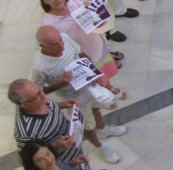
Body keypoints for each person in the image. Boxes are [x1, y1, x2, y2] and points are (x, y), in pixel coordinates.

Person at [32, 25, 126, 161]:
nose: (61, 44)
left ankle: (103, 130)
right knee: (87, 125)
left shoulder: (65, 37)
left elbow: (81, 54)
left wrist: (94, 71)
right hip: (73, 97)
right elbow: (39, 92)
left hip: (89, 85)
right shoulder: (40, 67)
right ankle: (100, 148)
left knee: (96, 108)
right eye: (54, 44)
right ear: (42, 45)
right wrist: (61, 83)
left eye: (60, 39)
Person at [10, 78, 86, 164]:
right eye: (37, 96)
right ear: (24, 105)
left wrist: (63, 104)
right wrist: (56, 144)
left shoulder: (39, 100)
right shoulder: (25, 132)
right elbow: (29, 155)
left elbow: (49, 103)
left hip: (74, 145)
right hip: (62, 163)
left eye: (40, 90)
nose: (43, 95)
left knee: (82, 169)